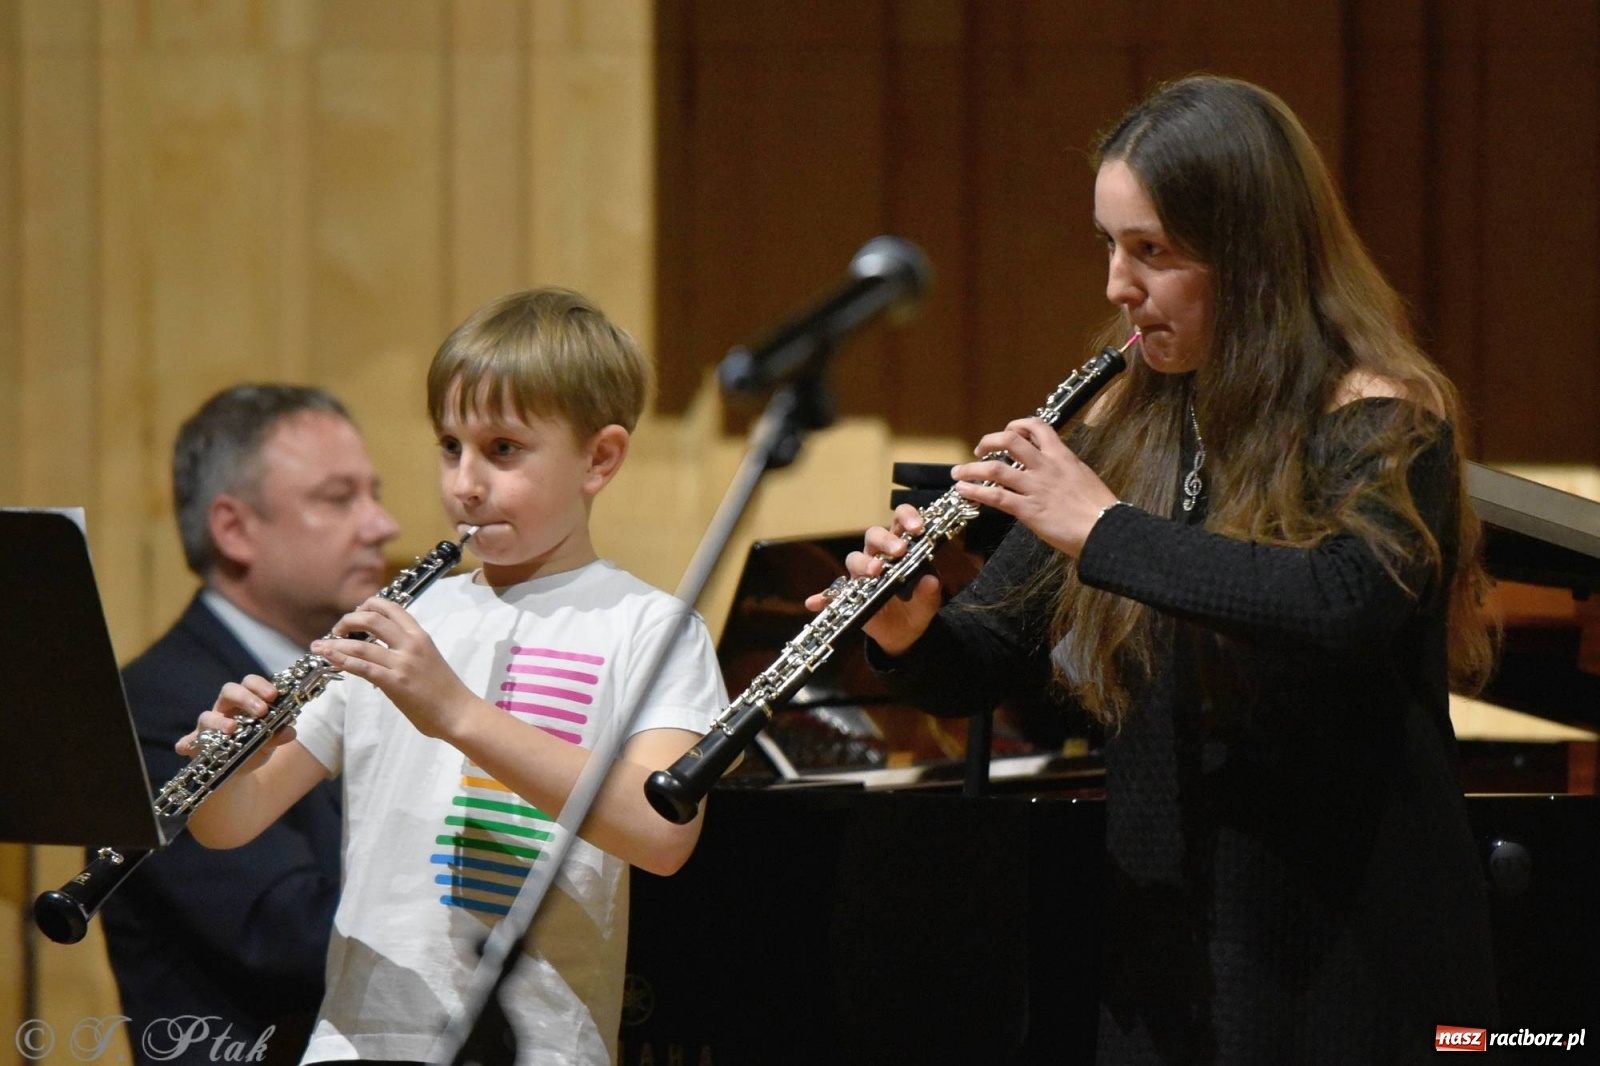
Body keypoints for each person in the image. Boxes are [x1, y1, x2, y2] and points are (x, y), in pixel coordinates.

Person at [812, 75, 1499, 1064]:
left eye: (1151, 252)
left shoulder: (1381, 410)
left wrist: (1103, 530)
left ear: (1253, 257)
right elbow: (990, 648)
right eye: (1109, 244)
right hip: (1165, 967)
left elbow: (1340, 605)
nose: (1115, 286)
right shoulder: (1122, 415)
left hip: (1350, 956)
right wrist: (910, 631)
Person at [182, 287, 728, 1065]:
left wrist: (456, 711)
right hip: (355, 1043)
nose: (465, 483)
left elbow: (663, 832)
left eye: (503, 449)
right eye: (449, 446)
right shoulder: (401, 616)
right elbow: (228, 826)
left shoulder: (649, 628)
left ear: (599, 459)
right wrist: (228, 765)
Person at [103, 384, 402, 1065]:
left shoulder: (365, 678)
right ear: (235, 529)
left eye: (374, 493)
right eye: (338, 498)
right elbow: (285, 936)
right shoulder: (158, 704)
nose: (382, 525)